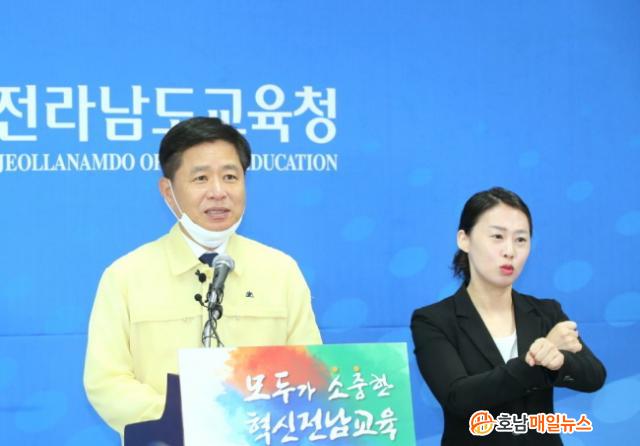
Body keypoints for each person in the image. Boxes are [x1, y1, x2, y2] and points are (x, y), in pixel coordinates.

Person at [83, 117, 322, 437]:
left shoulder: (281, 271)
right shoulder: (126, 276)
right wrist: (187, 422)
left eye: (230, 177)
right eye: (201, 178)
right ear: (168, 192)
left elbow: (308, 372)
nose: (218, 192)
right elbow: (106, 382)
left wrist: (252, 424)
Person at [410, 187, 605, 445]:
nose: (510, 251)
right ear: (464, 239)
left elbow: (594, 376)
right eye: (497, 237)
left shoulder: (546, 312)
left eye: (521, 240)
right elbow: (459, 397)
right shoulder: (433, 320)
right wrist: (535, 361)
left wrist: (559, 362)